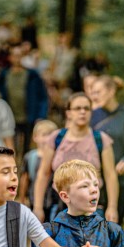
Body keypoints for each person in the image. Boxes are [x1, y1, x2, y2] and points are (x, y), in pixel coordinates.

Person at [33, 93, 119, 223]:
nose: (82, 112)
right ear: (68, 113)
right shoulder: (56, 138)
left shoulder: (101, 140)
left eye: (86, 108)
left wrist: (112, 208)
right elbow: (43, 174)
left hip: (92, 208)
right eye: (77, 108)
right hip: (60, 206)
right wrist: (37, 207)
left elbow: (110, 175)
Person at [89, 75, 124, 223]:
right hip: (94, 180)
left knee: (114, 225)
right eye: (92, 92)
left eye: (98, 92)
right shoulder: (90, 116)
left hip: (119, 179)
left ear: (111, 91)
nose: (94, 96)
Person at [0, 43, 49, 160]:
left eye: (19, 55)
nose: (16, 58)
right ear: (10, 57)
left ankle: (26, 171)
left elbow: (42, 97)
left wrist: (41, 116)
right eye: (14, 55)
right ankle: (14, 169)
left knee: (28, 147)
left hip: (29, 116)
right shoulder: (4, 75)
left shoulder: (32, 75)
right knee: (12, 147)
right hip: (10, 117)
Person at [18, 119, 58, 216]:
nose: (48, 139)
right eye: (44, 135)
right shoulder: (30, 157)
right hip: (34, 201)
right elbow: (25, 179)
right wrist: (22, 200)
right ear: (35, 137)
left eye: (51, 135)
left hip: (55, 202)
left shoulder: (58, 158)